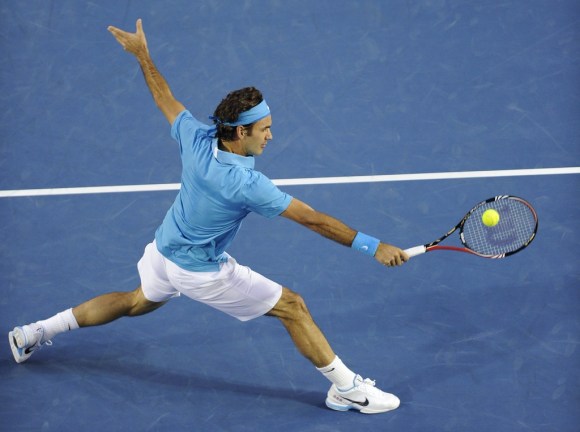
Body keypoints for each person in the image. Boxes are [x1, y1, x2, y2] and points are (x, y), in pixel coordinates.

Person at [9, 19, 409, 414]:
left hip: (163, 249)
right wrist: (373, 247)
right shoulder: (246, 184)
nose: (271, 136)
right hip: (198, 271)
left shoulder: (197, 137)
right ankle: (347, 390)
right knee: (292, 306)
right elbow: (313, 219)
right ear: (240, 133)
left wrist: (142, 55)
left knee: (135, 301)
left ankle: (35, 331)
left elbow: (163, 95)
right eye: (264, 129)